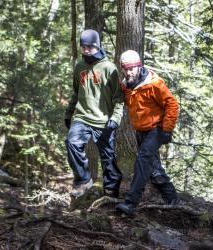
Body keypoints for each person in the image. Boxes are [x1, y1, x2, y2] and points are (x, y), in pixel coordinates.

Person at [115, 50, 180, 215]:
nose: (129, 71)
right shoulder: (126, 85)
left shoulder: (154, 84)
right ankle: (173, 200)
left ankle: (130, 203)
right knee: (153, 169)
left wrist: (166, 129)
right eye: (125, 68)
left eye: (132, 68)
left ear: (139, 66)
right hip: (140, 131)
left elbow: (172, 105)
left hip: (156, 129)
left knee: (142, 162)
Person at [65, 29, 124, 198]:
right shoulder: (80, 67)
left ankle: (111, 190)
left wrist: (116, 118)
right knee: (72, 143)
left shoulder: (109, 68)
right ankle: (83, 180)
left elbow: (119, 97)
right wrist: (69, 114)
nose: (86, 50)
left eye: (90, 47)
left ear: (97, 46)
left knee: (108, 157)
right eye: (83, 47)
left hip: (104, 120)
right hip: (82, 117)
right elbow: (76, 93)